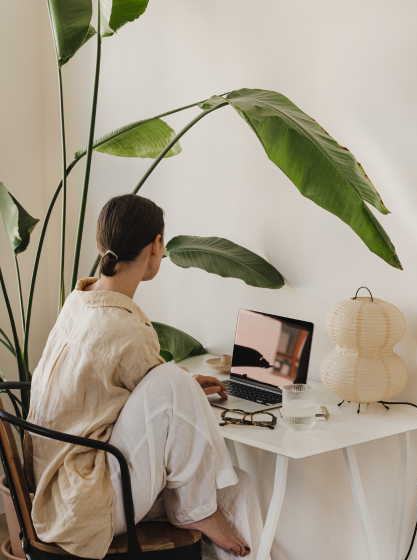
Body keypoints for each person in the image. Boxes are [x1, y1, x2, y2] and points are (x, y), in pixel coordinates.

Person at [25, 194, 265, 560]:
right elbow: (158, 384)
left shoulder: (79, 300)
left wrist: (183, 384)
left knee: (237, 485)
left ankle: (204, 512)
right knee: (217, 478)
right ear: (156, 246)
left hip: (50, 484)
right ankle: (198, 512)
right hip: (86, 500)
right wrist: (180, 383)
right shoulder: (128, 328)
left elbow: (128, 381)